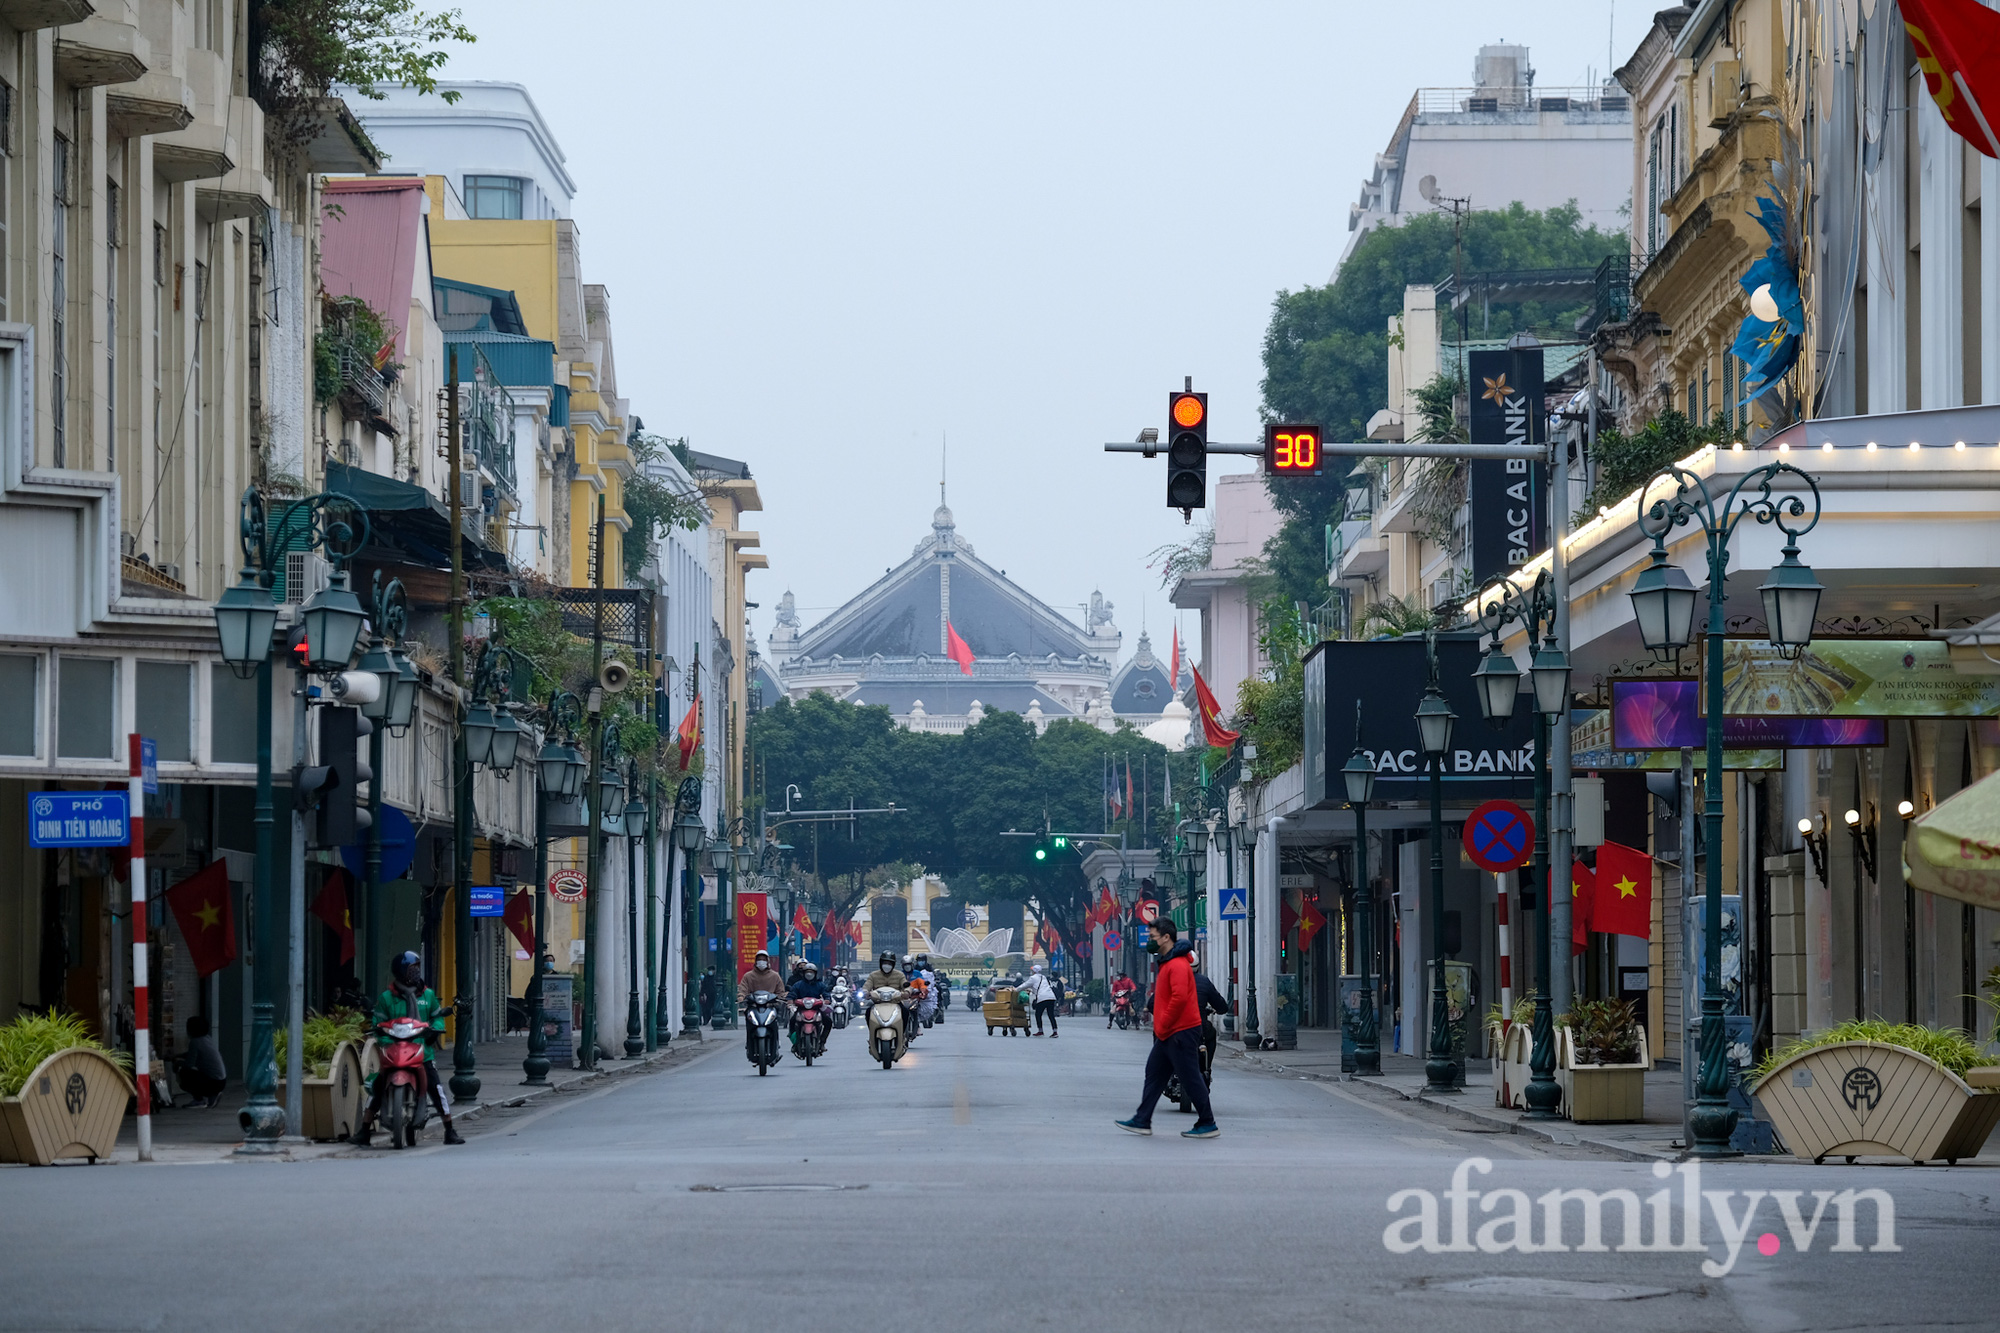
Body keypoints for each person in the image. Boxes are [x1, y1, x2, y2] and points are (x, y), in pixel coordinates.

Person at [1115, 920, 1219, 1140]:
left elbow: (1180, 998)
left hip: (1179, 1030)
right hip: (1169, 1032)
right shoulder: (1168, 962)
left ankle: (1207, 1122)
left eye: (1153, 937)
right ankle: (1142, 1119)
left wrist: (1164, 1024)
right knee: (1154, 1073)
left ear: (1166, 937)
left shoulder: (1177, 965)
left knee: (1190, 1076)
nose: (1150, 941)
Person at [353, 951, 462, 1146]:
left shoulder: (427, 995)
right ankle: (364, 1130)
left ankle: (449, 1129)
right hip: (394, 1050)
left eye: (417, 968)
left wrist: (435, 1029)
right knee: (378, 1087)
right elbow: (378, 1020)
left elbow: (437, 1017)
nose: (416, 973)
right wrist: (380, 1032)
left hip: (422, 1052)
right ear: (401, 971)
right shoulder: (387, 998)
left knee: (436, 1089)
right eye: (412, 969)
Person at [175, 1014, 227, 1107]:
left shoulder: (195, 1042)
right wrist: (177, 1056)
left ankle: (199, 1100)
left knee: (184, 1073)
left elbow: (189, 1065)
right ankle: (212, 1096)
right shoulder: (207, 1038)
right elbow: (192, 1054)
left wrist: (177, 1063)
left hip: (213, 1082)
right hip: (221, 1081)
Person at [1023, 964, 1060, 1037]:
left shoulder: (1033, 978)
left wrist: (1016, 989)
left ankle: (1040, 1031)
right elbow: (1040, 987)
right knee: (1051, 1015)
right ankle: (1055, 1031)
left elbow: (1024, 985)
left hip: (1042, 998)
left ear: (1034, 971)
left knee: (1038, 1014)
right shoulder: (1044, 977)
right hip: (1051, 997)